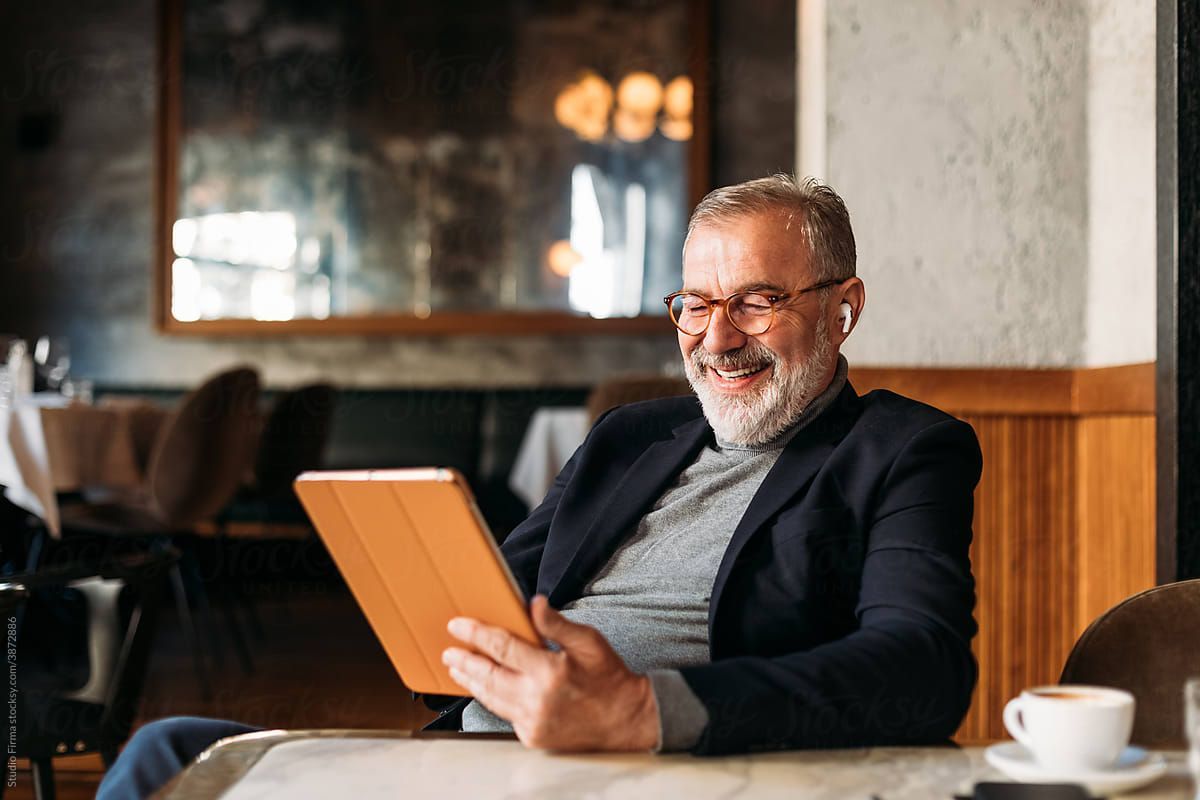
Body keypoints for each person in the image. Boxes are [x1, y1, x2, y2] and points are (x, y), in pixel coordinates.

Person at [98, 175, 981, 797]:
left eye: (756, 302)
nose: (717, 339)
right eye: (696, 304)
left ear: (842, 308)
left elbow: (924, 666)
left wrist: (643, 712)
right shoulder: (628, 435)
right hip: (471, 759)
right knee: (165, 752)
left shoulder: (901, 449)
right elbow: (492, 593)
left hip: (644, 775)